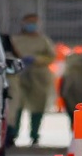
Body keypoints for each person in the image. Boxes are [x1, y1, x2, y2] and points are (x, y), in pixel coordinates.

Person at [11, 13, 56, 146]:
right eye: (29, 22)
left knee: (38, 105)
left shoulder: (43, 40)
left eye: (34, 23)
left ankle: (34, 134)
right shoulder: (15, 40)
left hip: (39, 77)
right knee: (16, 104)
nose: (31, 26)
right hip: (19, 76)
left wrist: (36, 59)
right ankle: (13, 133)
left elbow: (51, 57)